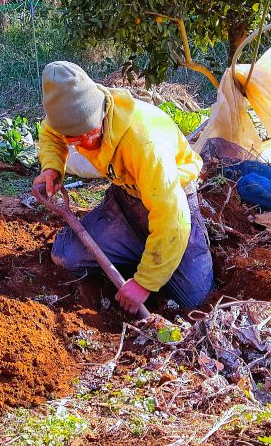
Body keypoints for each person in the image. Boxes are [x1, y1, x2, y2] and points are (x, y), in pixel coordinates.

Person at [33, 61, 213, 313]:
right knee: (65, 256)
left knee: (193, 299)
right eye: (76, 139)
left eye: (91, 133)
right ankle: (141, 250)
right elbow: (51, 133)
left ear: (101, 112)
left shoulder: (144, 143)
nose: (86, 142)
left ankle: (153, 255)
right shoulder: (66, 115)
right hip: (127, 200)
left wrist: (144, 283)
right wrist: (52, 167)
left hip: (172, 202)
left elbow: (172, 217)